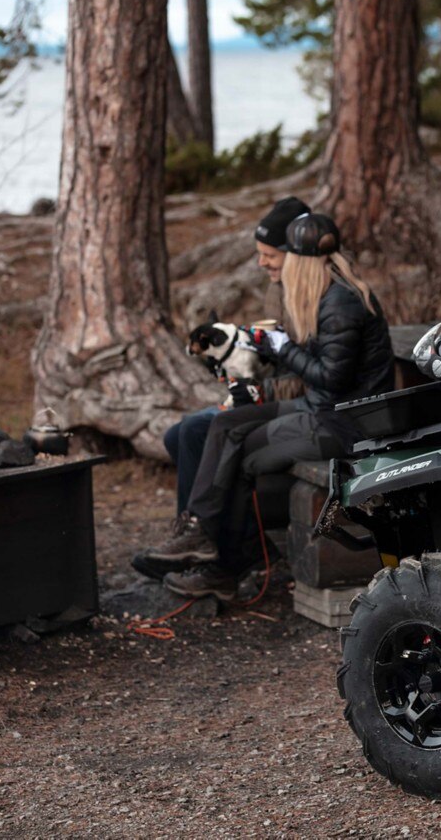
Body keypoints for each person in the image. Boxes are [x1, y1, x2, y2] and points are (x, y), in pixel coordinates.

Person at [147, 213, 395, 601]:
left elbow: (333, 379)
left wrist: (282, 347)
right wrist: (267, 354)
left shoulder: (340, 303)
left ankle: (223, 568)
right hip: (320, 408)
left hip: (343, 423)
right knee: (227, 424)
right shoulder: (327, 295)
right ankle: (197, 529)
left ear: (301, 261)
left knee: (243, 452)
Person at [158, 196, 310, 522]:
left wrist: (260, 392)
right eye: (260, 254)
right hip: (272, 393)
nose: (261, 263)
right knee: (176, 435)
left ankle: (212, 540)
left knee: (197, 431)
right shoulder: (279, 290)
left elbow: (310, 374)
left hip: (292, 405)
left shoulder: (313, 300)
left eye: (270, 255)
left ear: (296, 254)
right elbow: (279, 354)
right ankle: (199, 530)